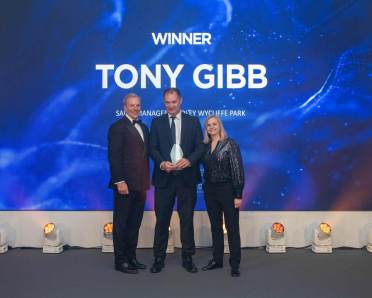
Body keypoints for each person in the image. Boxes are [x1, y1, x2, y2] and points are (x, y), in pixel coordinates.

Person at [149, 88, 204, 273]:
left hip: (186, 180)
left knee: (187, 220)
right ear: (164, 103)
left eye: (173, 101)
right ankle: (158, 258)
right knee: (162, 221)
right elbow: (152, 148)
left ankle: (188, 258)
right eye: (167, 102)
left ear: (181, 101)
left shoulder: (193, 121)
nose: (170, 105)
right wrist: (161, 163)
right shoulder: (156, 123)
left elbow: (200, 148)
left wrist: (189, 160)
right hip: (164, 179)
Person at [107, 93, 150, 274]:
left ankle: (131, 258)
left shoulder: (144, 127)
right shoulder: (117, 127)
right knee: (122, 224)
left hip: (141, 184)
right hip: (124, 185)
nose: (135, 108)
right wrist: (119, 181)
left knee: (135, 223)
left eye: (138, 105)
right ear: (125, 106)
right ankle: (120, 261)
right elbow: (114, 156)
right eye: (131, 105)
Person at [201, 116, 244, 277]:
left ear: (220, 126)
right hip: (209, 191)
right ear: (206, 128)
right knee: (215, 227)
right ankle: (217, 260)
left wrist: (238, 194)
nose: (211, 127)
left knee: (232, 228)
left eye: (214, 124)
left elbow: (237, 169)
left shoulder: (230, 144)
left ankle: (235, 264)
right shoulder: (204, 146)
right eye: (208, 125)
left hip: (228, 190)